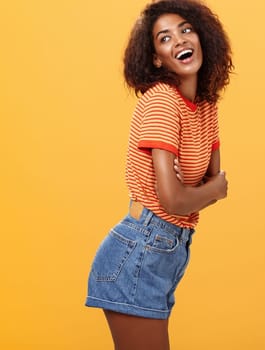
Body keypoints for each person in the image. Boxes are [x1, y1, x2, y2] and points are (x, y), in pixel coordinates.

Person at [85, 0, 233, 348]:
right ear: (156, 58)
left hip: (166, 250)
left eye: (185, 30)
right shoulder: (162, 101)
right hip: (140, 249)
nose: (179, 41)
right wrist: (203, 191)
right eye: (164, 38)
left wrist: (200, 191)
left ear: (202, 37)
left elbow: (212, 187)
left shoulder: (206, 107)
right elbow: (183, 196)